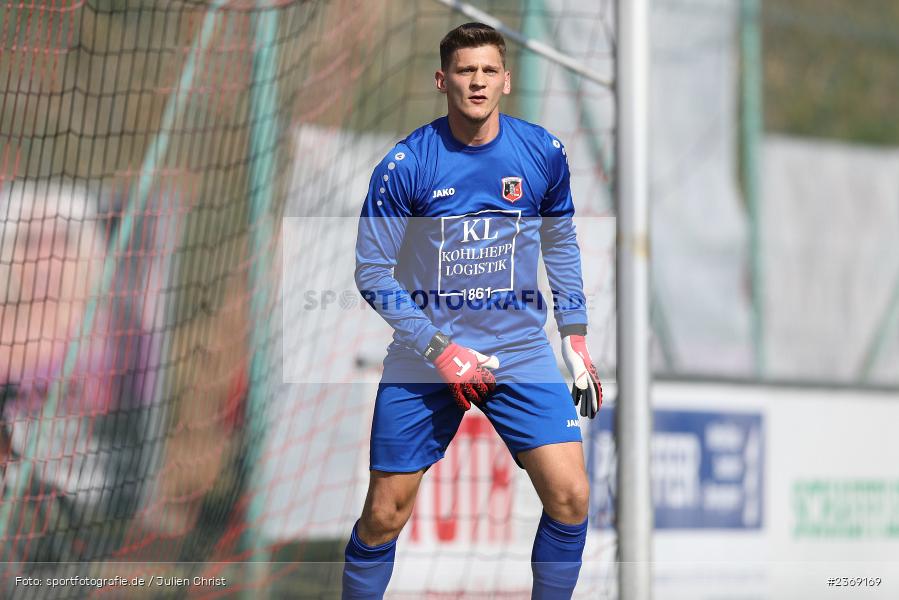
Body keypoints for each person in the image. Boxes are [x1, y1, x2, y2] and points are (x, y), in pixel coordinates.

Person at [344, 22, 602, 600]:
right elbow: (371, 272)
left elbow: (560, 243)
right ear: (443, 80)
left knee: (571, 497)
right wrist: (440, 351)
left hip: (519, 350)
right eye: (465, 71)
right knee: (385, 513)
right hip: (426, 355)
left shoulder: (542, 152)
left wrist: (575, 334)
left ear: (506, 81)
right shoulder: (406, 164)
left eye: (488, 71)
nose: (477, 82)